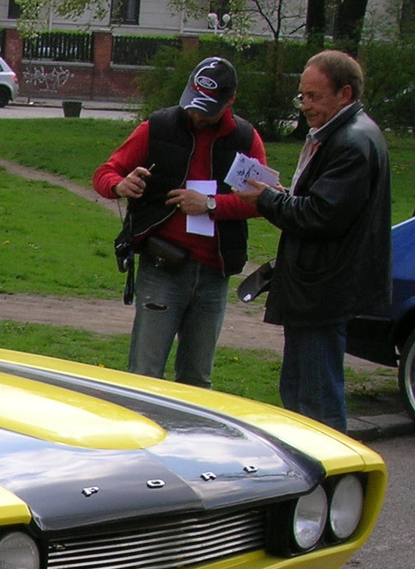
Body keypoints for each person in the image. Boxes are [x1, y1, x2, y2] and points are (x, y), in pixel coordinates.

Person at [236, 50, 392, 433]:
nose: (305, 105)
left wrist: (267, 199)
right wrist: (282, 195)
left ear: (345, 93)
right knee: (300, 393)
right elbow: (325, 205)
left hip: (323, 288)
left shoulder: (351, 142)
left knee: (316, 403)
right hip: (317, 284)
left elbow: (322, 216)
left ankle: (330, 485)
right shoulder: (345, 134)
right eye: (301, 96)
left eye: (314, 96)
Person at [94, 57, 266, 388]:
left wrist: (210, 204)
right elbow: (105, 173)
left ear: (230, 100)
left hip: (214, 273)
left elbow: (260, 202)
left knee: (197, 379)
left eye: (208, 109)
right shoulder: (157, 127)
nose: (197, 115)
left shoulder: (245, 139)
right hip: (162, 267)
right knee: (145, 374)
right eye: (193, 104)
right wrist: (119, 184)